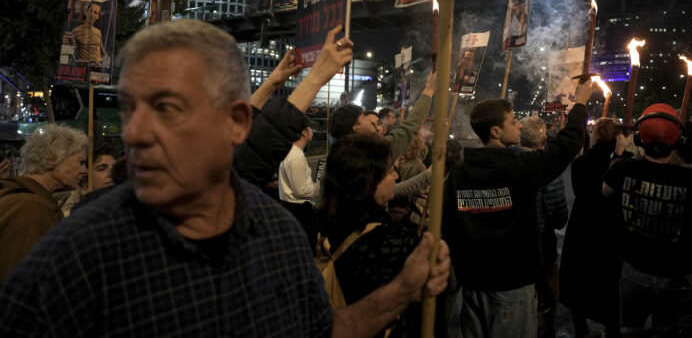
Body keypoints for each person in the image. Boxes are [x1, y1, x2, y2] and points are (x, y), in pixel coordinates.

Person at [0, 20, 451, 337]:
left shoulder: (279, 238)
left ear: (234, 124)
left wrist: (403, 291)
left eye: (167, 110)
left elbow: (325, 330)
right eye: (133, 108)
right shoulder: (76, 254)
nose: (136, 132)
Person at [442, 79, 593, 338]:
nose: (520, 125)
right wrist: (579, 104)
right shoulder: (520, 167)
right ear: (496, 131)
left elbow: (449, 225)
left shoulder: (458, 173)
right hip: (512, 286)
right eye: (513, 121)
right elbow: (566, 145)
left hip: (473, 283)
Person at [602, 103, 692, 333]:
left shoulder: (623, 168)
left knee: (630, 329)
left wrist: (619, 152)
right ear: (677, 141)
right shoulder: (691, 178)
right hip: (678, 274)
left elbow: (605, 191)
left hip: (635, 268)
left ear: (640, 141)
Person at [317, 134, 421, 337]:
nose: (396, 177)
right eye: (390, 171)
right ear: (368, 182)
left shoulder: (324, 221)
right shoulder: (391, 243)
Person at [559, 117, 623, 338]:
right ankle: (612, 330)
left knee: (580, 277)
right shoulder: (624, 163)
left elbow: (582, 192)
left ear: (595, 134)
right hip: (610, 228)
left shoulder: (582, 162)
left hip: (584, 226)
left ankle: (581, 328)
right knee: (609, 282)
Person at [0, 124, 87, 281]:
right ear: (51, 160)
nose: (84, 170)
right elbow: (27, 282)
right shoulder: (32, 208)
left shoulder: (22, 199)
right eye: (80, 162)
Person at [518, 117, 568, 338]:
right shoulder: (549, 171)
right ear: (545, 139)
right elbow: (558, 218)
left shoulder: (509, 163)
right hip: (541, 248)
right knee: (545, 301)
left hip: (513, 245)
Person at [329, 71, 436, 161]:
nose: (376, 127)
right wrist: (429, 90)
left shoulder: (336, 157)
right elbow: (410, 127)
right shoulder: (373, 150)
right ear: (356, 126)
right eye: (364, 117)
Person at [278, 118, 321, 246]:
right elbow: (301, 191)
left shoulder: (290, 152)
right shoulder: (296, 157)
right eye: (310, 128)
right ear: (303, 132)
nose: (312, 131)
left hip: (290, 207)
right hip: (299, 211)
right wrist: (321, 185)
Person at [60, 140, 123, 217]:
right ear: (87, 172)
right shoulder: (73, 201)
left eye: (114, 168)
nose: (110, 174)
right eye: (102, 169)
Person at [63, 1, 106, 66]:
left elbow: (101, 48)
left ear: (97, 17)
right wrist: (66, 43)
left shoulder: (98, 32)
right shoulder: (75, 31)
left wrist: (107, 63)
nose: (92, 14)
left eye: (95, 13)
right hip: (85, 67)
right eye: (91, 11)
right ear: (86, 12)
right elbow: (71, 52)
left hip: (99, 66)